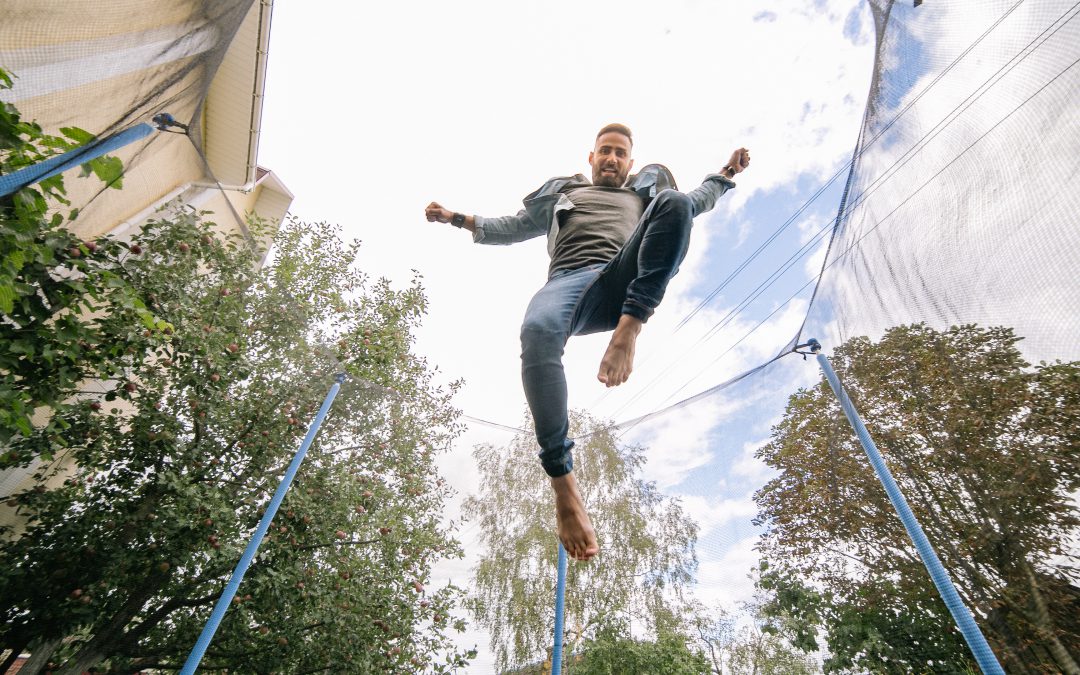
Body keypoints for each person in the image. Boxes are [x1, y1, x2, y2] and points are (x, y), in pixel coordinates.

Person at [425, 123, 749, 561]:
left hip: (626, 276)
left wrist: (726, 173)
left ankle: (629, 327)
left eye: (620, 153)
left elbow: (696, 202)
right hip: (570, 285)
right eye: (605, 152)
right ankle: (563, 482)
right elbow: (513, 225)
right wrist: (456, 218)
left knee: (674, 202)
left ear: (630, 164)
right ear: (592, 158)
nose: (612, 159)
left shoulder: (642, 195)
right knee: (537, 332)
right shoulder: (566, 196)